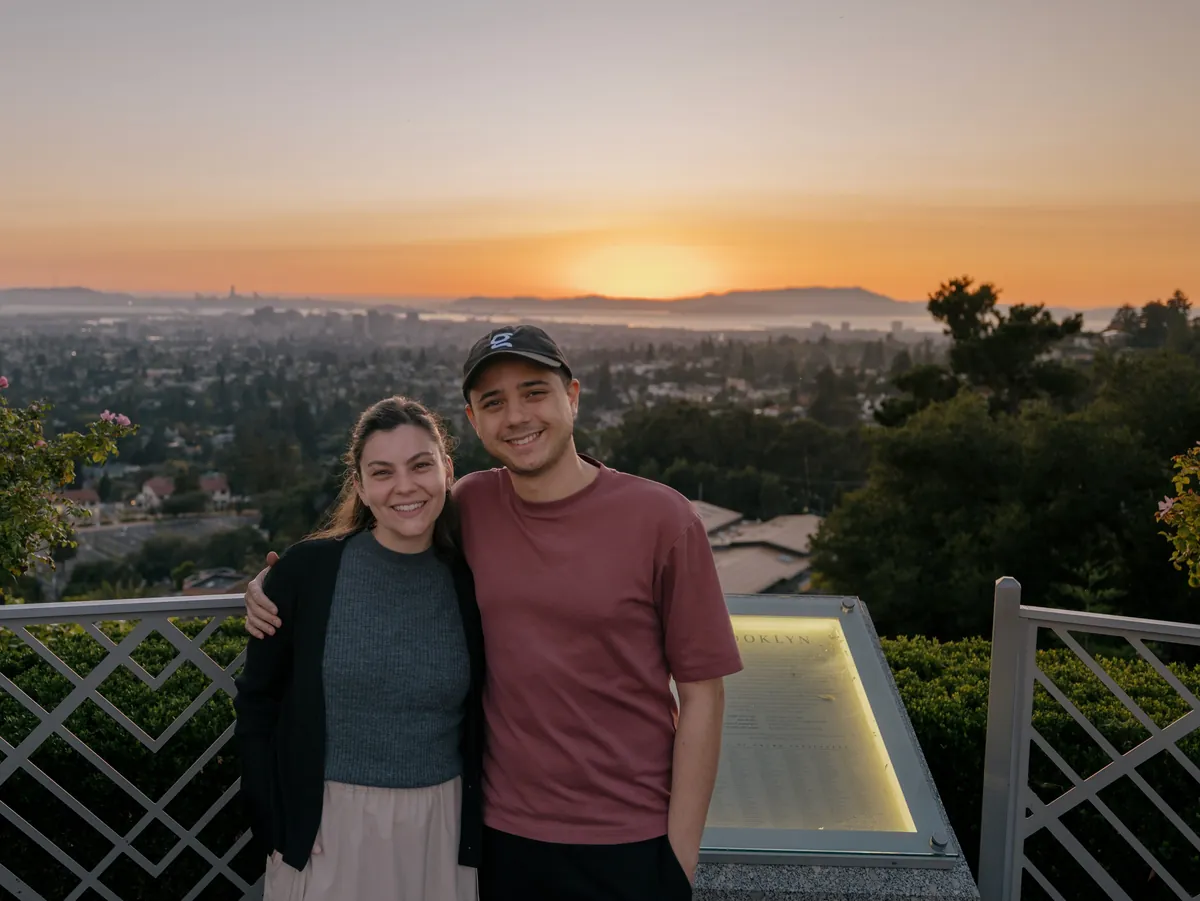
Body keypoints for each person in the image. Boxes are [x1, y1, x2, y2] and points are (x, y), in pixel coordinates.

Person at [243, 324, 743, 901]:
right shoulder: (470, 505)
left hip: (628, 840)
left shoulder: (663, 519)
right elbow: (384, 531)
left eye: (534, 392)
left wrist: (677, 863)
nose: (516, 416)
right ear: (474, 420)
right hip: (497, 837)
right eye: (493, 402)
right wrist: (274, 582)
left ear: (572, 396)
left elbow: (704, 695)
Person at [233, 396, 484, 901]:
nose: (405, 487)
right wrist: (275, 823)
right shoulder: (306, 574)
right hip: (325, 833)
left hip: (441, 830)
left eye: (420, 465)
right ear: (363, 487)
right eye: (383, 472)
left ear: (447, 469)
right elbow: (257, 705)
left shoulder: (476, 577)